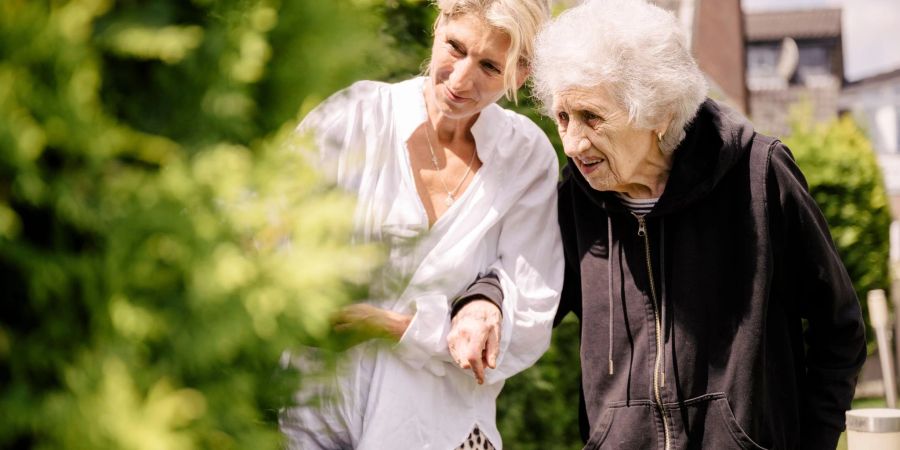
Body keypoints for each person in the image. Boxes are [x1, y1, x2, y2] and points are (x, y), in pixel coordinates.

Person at [531, 1, 867, 449]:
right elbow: (528, 304)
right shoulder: (576, 199)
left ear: (660, 112)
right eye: (562, 117)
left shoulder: (759, 175)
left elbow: (838, 328)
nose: (572, 143)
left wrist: (815, 440)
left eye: (592, 117)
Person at [279, 1, 562, 449]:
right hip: (311, 416)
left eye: (490, 66)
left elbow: (528, 319)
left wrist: (398, 326)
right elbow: (267, 235)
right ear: (438, 26)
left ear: (520, 75)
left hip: (439, 433)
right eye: (455, 47)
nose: (462, 79)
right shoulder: (356, 116)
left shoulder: (526, 158)